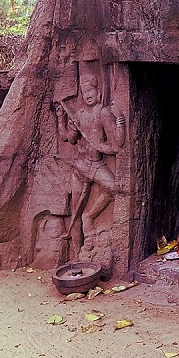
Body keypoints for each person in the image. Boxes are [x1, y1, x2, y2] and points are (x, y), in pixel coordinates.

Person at [56, 72, 126, 257]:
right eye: (84, 91)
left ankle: (92, 216)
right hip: (80, 166)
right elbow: (69, 139)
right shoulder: (78, 114)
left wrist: (119, 121)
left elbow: (117, 144)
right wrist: (62, 119)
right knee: (75, 211)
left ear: (98, 93)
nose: (88, 94)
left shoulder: (102, 112)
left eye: (91, 90)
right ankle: (76, 251)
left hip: (96, 165)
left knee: (114, 188)